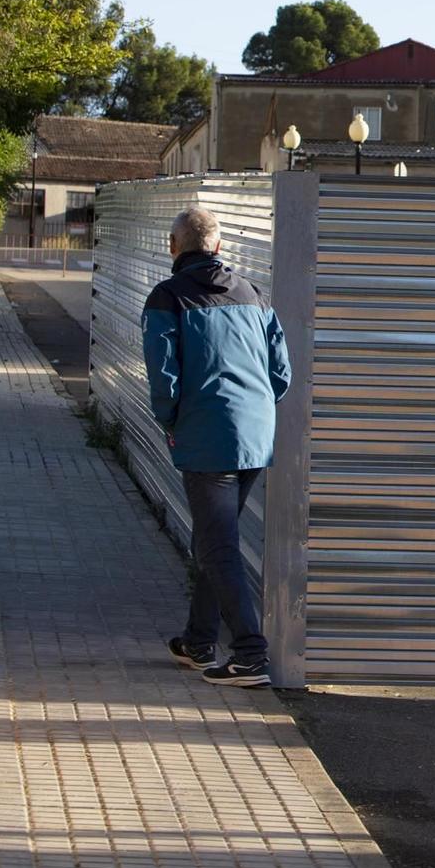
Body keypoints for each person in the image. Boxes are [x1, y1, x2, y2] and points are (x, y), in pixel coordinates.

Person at [142, 206, 291, 687]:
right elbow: (281, 372)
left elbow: (164, 378)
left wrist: (170, 421)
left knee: (217, 544)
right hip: (254, 435)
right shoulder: (253, 293)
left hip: (206, 434)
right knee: (214, 538)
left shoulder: (168, 298)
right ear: (220, 247)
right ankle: (199, 641)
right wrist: (256, 413)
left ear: (173, 246)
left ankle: (250, 653)